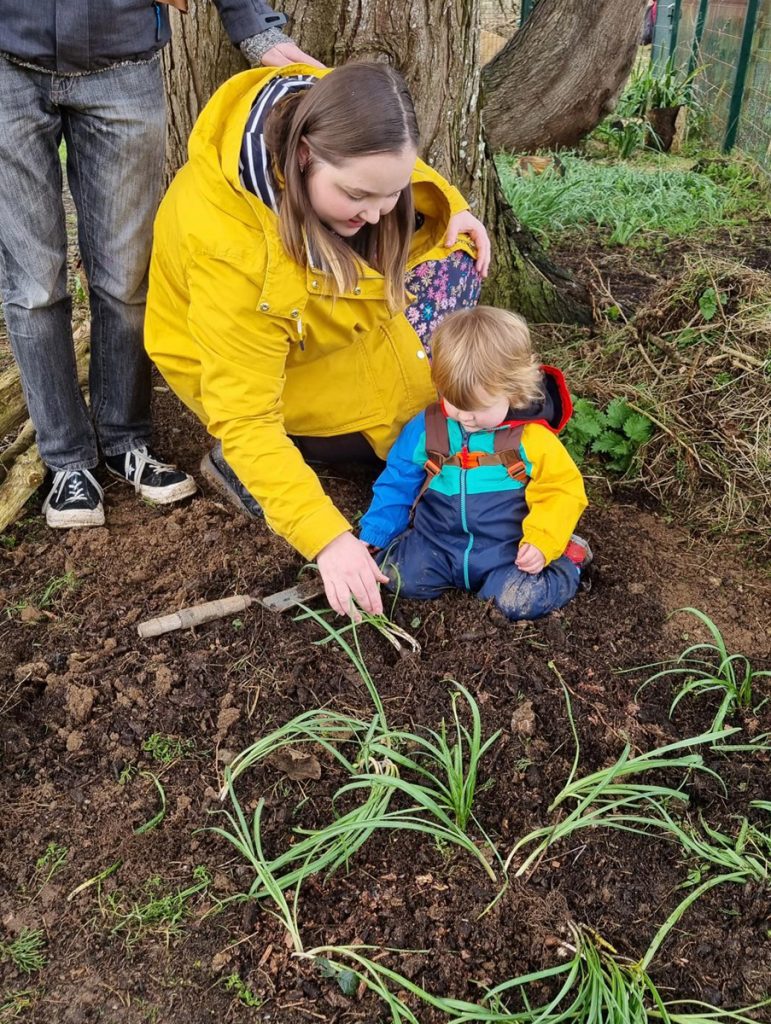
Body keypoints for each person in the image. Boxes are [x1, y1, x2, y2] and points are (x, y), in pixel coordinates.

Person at [145, 61, 490, 618]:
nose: (377, 213)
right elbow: (247, 414)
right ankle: (250, 467)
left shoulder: (324, 106)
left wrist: (454, 203)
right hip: (255, 371)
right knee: (411, 422)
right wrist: (328, 539)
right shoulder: (232, 251)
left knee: (453, 263)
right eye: (358, 196)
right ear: (303, 156)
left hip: (316, 324)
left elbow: (388, 158)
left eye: (391, 194)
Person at [0, 0, 319, 529]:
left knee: (126, 279)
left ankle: (125, 439)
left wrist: (252, 25)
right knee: (34, 286)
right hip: (8, 57)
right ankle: (67, 460)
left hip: (122, 59)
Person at [358, 306, 591, 621]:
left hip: (506, 552)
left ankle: (569, 560)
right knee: (397, 578)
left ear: (514, 391)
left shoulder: (530, 439)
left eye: (479, 407)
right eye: (454, 402)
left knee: (513, 601)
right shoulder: (427, 428)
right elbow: (398, 479)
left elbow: (562, 490)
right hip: (436, 543)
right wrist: (375, 533)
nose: (466, 417)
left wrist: (541, 540)